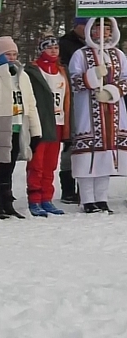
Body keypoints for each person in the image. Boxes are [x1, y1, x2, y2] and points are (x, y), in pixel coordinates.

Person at [0, 36, 42, 219]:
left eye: (14, 54)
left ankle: (7, 201)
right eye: (8, 54)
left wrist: (35, 133)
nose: (12, 58)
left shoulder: (23, 77)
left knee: (9, 167)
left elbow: (30, 104)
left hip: (18, 126)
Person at [68, 18, 127, 213]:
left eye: (107, 29)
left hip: (113, 112)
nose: (103, 33)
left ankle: (101, 199)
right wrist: (92, 76)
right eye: (99, 29)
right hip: (87, 110)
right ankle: (87, 199)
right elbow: (74, 81)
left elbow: (125, 79)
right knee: (87, 157)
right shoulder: (80, 55)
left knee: (106, 157)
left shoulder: (118, 54)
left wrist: (113, 91)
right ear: (90, 32)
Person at [24, 36, 70, 216]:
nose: (53, 50)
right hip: (41, 122)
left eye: (56, 47)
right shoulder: (33, 70)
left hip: (59, 122)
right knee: (37, 163)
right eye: (49, 47)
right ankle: (34, 199)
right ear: (42, 49)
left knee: (51, 164)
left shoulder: (61, 70)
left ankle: (47, 198)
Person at [57, 17, 88, 204]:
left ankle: (83, 187)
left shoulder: (95, 45)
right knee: (70, 143)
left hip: (87, 98)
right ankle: (68, 188)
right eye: (84, 26)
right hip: (69, 95)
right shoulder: (66, 44)